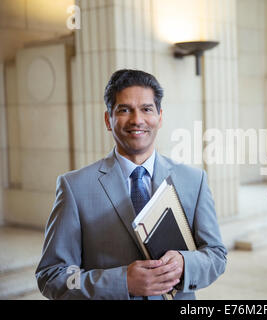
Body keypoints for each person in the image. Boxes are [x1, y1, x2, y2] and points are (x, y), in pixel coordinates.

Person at [35, 69, 227, 300]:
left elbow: (216, 255)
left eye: (147, 109)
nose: (137, 120)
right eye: (125, 110)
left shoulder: (194, 181)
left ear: (160, 116)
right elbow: (52, 276)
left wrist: (185, 263)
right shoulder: (74, 187)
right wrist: (122, 282)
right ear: (108, 119)